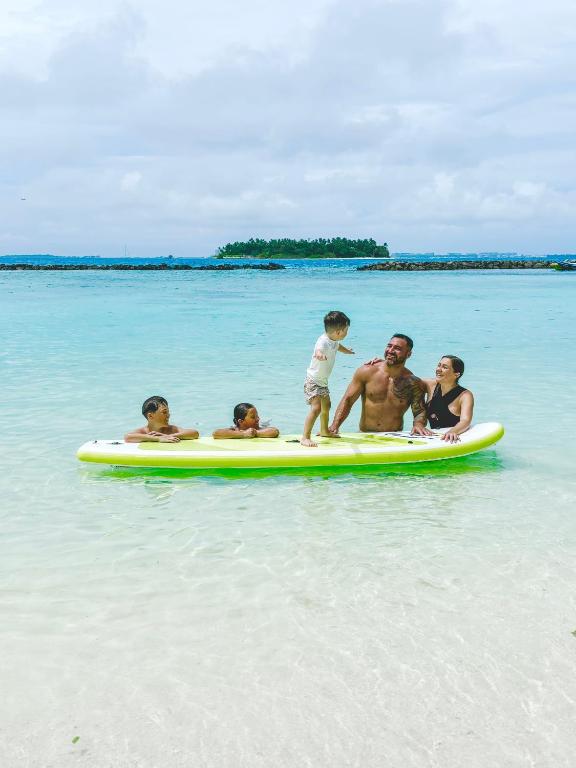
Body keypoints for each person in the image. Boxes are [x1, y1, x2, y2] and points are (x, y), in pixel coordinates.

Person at [328, 333, 429, 435]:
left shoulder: (413, 383)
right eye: (389, 346)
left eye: (397, 348)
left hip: (396, 436)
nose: (390, 351)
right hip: (365, 435)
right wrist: (335, 425)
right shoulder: (367, 371)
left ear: (408, 354)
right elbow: (348, 400)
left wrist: (418, 424)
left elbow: (419, 411)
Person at [301, 310, 355, 447]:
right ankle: (305, 437)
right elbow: (319, 349)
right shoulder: (323, 341)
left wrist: (347, 351)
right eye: (346, 331)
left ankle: (324, 430)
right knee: (316, 408)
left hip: (322, 382)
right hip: (312, 381)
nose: (347, 333)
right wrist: (319, 355)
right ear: (338, 332)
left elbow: (338, 347)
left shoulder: (334, 340)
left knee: (327, 406)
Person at [422, 355, 474, 443]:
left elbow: (465, 420)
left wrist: (453, 431)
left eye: (444, 367)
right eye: (439, 365)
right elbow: (407, 382)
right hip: (434, 437)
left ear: (456, 374)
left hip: (451, 439)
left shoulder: (465, 395)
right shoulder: (430, 385)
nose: (439, 369)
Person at [124, 396, 199, 442]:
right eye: (164, 412)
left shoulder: (171, 430)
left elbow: (194, 433)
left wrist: (169, 436)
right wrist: (158, 438)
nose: (168, 415)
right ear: (150, 416)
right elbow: (128, 437)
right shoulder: (143, 431)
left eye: (168, 412)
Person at [213, 403, 279, 439]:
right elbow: (216, 433)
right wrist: (244, 434)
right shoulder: (234, 429)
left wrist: (256, 433)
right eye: (253, 417)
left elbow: (275, 431)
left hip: (259, 429)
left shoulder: (258, 429)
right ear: (241, 421)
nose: (258, 419)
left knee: (264, 424)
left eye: (257, 416)